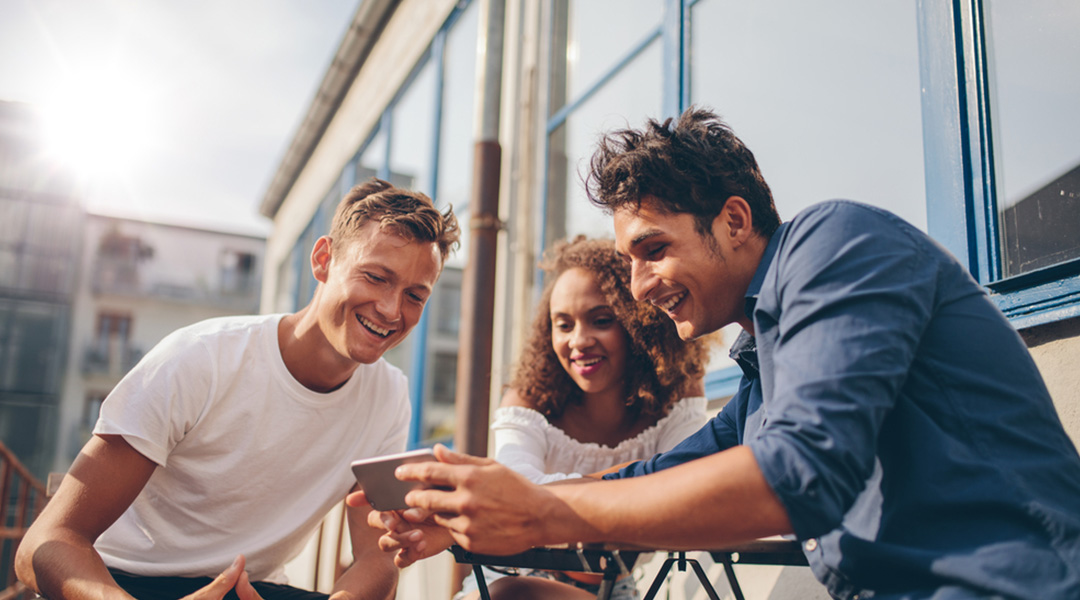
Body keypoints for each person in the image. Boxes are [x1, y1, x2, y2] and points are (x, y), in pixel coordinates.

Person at [359, 108, 1080, 600]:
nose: (641, 286)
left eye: (653, 250)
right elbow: (654, 475)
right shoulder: (767, 368)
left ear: (735, 220)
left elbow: (798, 476)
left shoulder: (837, 244)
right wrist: (477, 512)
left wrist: (541, 518)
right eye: (628, 260)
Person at [16, 178, 460, 600]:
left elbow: (377, 559)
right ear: (323, 260)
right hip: (124, 583)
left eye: (414, 296)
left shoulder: (388, 396)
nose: (390, 309)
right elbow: (47, 541)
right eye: (376, 277)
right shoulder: (201, 358)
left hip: (250, 588)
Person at [455, 236, 710, 600]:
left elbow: (688, 489)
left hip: (615, 587)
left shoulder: (678, 395)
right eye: (563, 324)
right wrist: (637, 491)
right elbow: (516, 491)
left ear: (640, 324)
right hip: (514, 575)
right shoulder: (527, 399)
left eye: (601, 320)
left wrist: (557, 503)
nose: (579, 340)